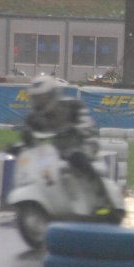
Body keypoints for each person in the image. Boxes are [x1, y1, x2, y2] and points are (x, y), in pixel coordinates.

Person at [22, 74, 108, 209]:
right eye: (36, 98)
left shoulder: (73, 106)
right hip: (58, 149)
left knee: (76, 157)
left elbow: (87, 126)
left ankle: (102, 198)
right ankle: (49, 199)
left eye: (42, 98)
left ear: (52, 95)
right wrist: (21, 145)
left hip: (84, 143)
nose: (39, 102)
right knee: (36, 162)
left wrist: (74, 129)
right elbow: (29, 135)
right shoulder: (34, 117)